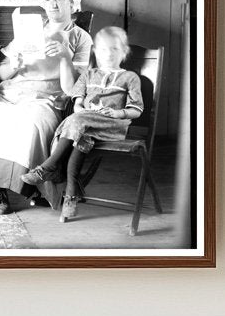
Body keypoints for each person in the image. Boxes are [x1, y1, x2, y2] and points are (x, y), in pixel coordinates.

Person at [0, 0, 91, 214]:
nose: (53, 4)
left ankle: (1, 187)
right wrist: (14, 65)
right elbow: (2, 72)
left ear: (72, 3)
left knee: (29, 123)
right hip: (12, 90)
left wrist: (65, 57)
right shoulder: (32, 28)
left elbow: (72, 89)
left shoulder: (81, 38)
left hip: (47, 97)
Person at [22, 26, 144, 222]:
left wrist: (118, 112)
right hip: (85, 128)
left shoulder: (130, 78)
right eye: (104, 49)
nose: (109, 54)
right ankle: (71, 196)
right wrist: (81, 110)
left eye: (115, 49)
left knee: (75, 121)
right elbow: (77, 102)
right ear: (95, 52)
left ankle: (48, 167)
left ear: (124, 52)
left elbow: (136, 110)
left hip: (112, 125)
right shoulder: (88, 75)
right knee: (80, 135)